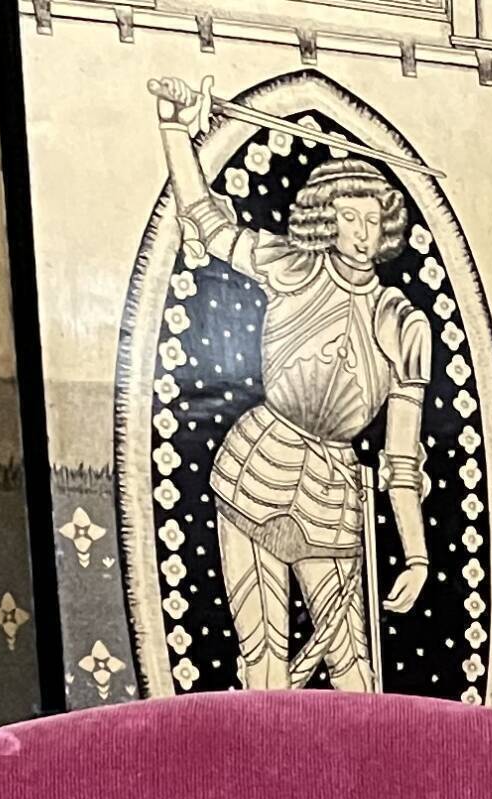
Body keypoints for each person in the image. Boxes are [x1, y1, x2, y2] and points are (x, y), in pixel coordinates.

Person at [150, 77, 439, 691]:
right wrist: (177, 128)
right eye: (347, 216)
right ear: (324, 220)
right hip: (255, 466)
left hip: (334, 492)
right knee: (263, 666)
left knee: (355, 674)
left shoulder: (404, 322)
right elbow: (204, 221)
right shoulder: (292, 266)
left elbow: (402, 459)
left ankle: (361, 789)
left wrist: (415, 553)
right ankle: (265, 784)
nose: (361, 232)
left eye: (371, 218)